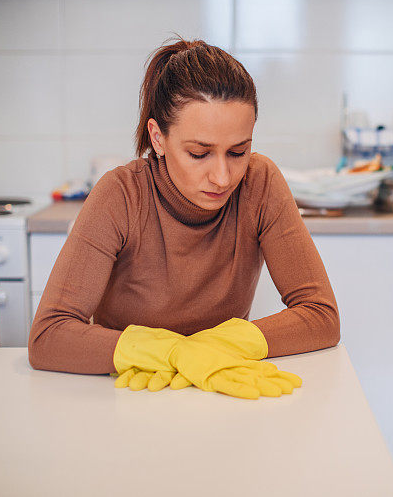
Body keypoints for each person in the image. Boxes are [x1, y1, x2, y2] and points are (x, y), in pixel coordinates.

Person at [28, 38, 340, 399]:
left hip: (221, 390)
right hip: (129, 393)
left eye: (238, 151)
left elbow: (321, 315)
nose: (223, 177)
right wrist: (172, 351)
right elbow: (48, 335)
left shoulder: (260, 183)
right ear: (158, 138)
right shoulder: (120, 194)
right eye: (198, 154)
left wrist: (225, 343)